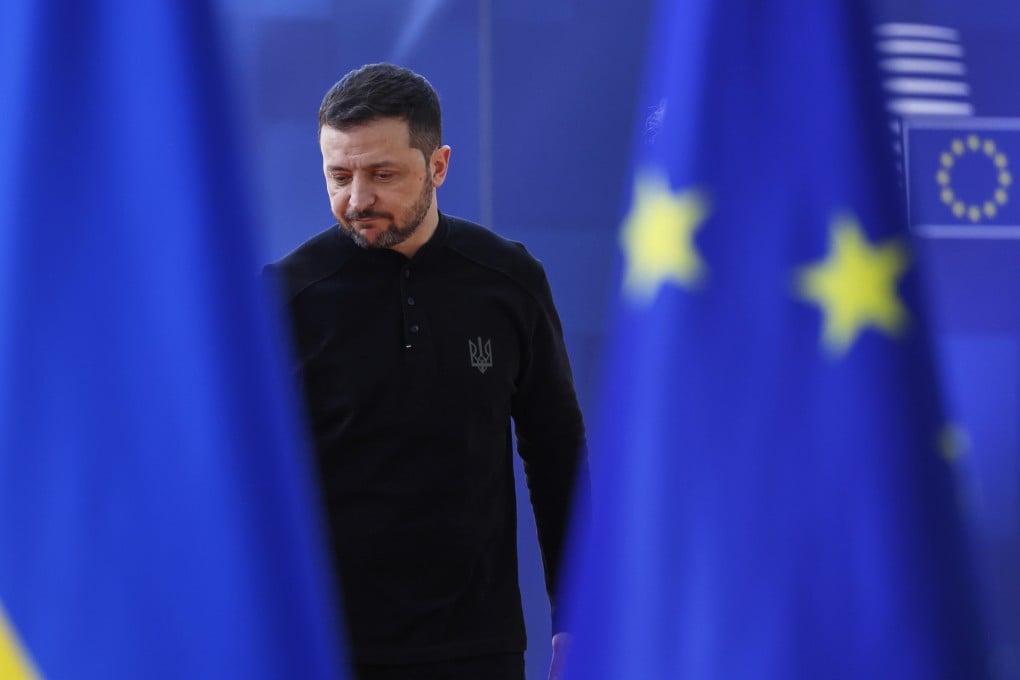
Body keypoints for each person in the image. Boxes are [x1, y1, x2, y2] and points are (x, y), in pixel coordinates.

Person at [264, 63, 588, 680]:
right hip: (324, 649)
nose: (357, 200)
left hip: (479, 646)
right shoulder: (284, 297)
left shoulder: (509, 281)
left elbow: (557, 454)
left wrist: (577, 618)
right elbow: (245, 479)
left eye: (382, 175)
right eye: (339, 176)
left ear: (438, 166)